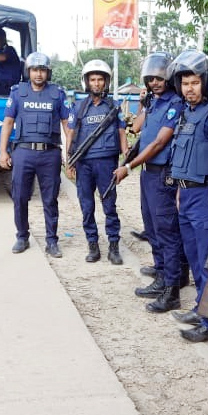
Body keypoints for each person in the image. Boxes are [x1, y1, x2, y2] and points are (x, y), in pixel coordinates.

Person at [165, 49, 208, 342]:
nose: (188, 89)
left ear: (206, 82)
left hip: (207, 198)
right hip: (186, 195)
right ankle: (200, 309)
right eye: (184, 83)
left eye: (194, 82)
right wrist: (180, 190)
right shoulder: (185, 114)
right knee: (194, 259)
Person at [113, 52, 185, 313]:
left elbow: (158, 143)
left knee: (166, 229)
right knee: (152, 225)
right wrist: (144, 103)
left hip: (163, 171)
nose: (154, 83)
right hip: (149, 172)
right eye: (150, 79)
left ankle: (171, 288)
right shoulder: (154, 102)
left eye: (159, 78)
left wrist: (129, 166)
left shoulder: (176, 102)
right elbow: (136, 129)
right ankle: (161, 274)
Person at [0, 52, 71, 258]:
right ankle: (22, 236)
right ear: (28, 72)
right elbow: (8, 123)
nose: (38, 74)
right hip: (23, 152)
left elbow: (67, 125)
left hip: (50, 154)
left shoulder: (57, 94)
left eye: (42, 70)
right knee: (20, 197)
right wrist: (3, 151)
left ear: (48, 72)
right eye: (34, 70)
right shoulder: (17, 93)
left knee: (50, 199)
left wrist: (69, 153)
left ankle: (52, 240)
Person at [65, 59, 127, 265]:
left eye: (100, 79)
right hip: (84, 164)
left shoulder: (114, 107)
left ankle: (114, 247)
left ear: (106, 82)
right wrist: (69, 161)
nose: (97, 83)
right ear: (87, 82)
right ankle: (92, 245)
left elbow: (121, 133)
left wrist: (124, 161)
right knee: (87, 206)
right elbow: (71, 134)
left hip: (107, 164)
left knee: (109, 206)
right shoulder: (79, 107)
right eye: (93, 79)